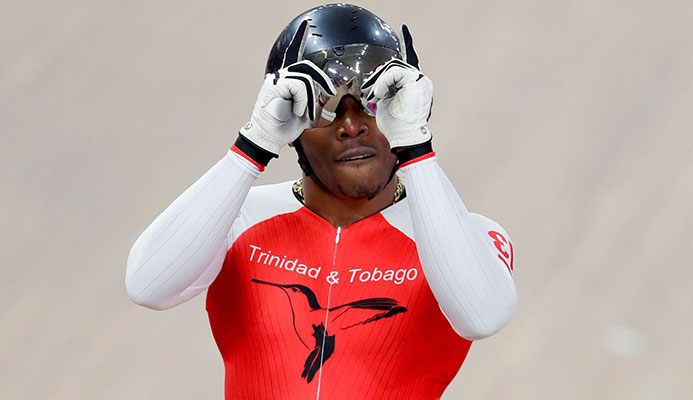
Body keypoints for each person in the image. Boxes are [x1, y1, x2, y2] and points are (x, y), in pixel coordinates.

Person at [126, 4, 517, 399]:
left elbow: (481, 317)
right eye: (326, 109)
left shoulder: (468, 236)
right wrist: (254, 143)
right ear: (294, 123)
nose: (351, 125)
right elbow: (148, 287)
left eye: (374, 101)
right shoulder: (238, 217)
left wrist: (415, 142)